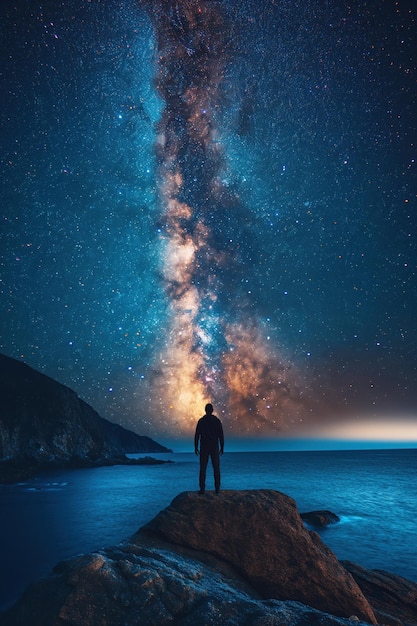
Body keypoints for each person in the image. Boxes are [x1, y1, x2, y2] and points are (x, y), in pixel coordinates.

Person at [194, 403, 224, 494]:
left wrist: (195, 447)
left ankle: (202, 489)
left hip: (204, 447)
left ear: (205, 410)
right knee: (216, 468)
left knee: (203, 468)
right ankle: (217, 489)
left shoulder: (201, 421)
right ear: (212, 410)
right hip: (214, 447)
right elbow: (221, 435)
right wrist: (222, 447)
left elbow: (197, 435)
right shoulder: (217, 421)